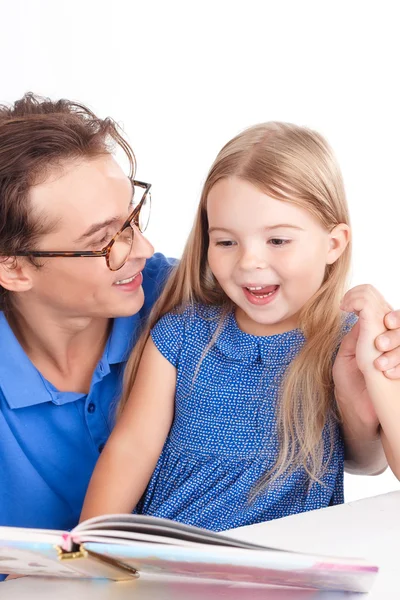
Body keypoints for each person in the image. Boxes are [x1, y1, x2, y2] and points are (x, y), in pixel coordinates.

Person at [81, 122, 400, 531]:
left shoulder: (346, 343)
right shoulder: (181, 335)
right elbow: (131, 450)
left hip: (289, 571)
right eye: (227, 242)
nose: (249, 262)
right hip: (177, 556)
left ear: (333, 244)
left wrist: (376, 366)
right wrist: (86, 550)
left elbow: (383, 462)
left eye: (278, 241)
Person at [0, 93, 175, 539]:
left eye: (132, 219)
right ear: (14, 268)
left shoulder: (177, 298)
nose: (144, 250)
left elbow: (354, 455)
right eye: (104, 241)